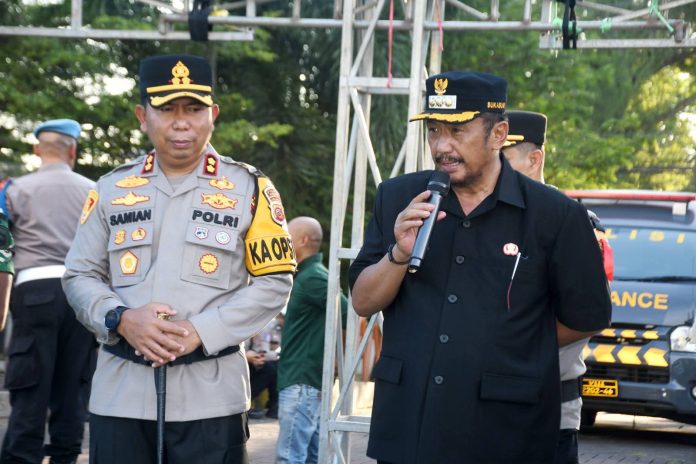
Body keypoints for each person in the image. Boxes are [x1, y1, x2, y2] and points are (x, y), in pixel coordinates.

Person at [348, 71, 612, 463]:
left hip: (505, 432)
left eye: (457, 131)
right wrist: (399, 254)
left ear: (498, 133)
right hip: (409, 429)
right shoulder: (398, 198)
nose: (442, 146)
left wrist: (513, 346)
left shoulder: (556, 216)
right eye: (434, 131)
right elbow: (363, 301)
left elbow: (588, 315)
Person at [61, 54, 296, 464]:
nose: (181, 122)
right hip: (121, 396)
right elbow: (79, 274)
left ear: (213, 115)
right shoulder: (112, 188)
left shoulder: (250, 189)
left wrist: (200, 330)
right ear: (143, 116)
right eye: (167, 109)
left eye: (193, 109)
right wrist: (120, 318)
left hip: (212, 397)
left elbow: (274, 282)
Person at [502, 110, 614, 464]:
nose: (493, 168)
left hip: (548, 408)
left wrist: (504, 343)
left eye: (504, 158)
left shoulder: (572, 223)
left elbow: (586, 317)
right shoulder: (487, 218)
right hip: (485, 410)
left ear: (534, 159)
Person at [0, 119, 97, 464]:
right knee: (72, 389)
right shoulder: (95, 190)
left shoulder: (12, 190)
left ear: (36, 149)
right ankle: (65, 458)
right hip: (81, 293)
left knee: (30, 388)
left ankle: (20, 458)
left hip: (33, 291)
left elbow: (2, 250)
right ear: (73, 150)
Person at [276, 216, 348, 464]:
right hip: (305, 382)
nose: (281, 243)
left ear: (303, 240)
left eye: (286, 238)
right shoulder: (310, 275)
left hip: (302, 382)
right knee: (311, 458)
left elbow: (348, 312)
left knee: (289, 458)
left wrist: (337, 361)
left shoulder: (312, 277)